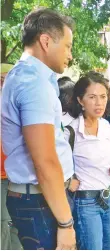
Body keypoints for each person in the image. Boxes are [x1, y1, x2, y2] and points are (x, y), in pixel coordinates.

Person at [1, 8, 76, 250]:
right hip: (39, 201)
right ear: (45, 41)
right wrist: (66, 224)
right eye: (67, 46)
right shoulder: (32, 83)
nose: (70, 55)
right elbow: (44, 161)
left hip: (40, 198)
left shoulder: (31, 78)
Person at [66, 72, 110, 250]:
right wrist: (68, 181)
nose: (99, 102)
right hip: (85, 203)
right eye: (92, 97)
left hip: (108, 198)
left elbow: (108, 162)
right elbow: (54, 165)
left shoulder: (106, 126)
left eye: (103, 96)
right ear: (81, 101)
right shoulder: (71, 131)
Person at [1, 63, 22, 250]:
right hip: (2, 177)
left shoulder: (18, 105)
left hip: (17, 175)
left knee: (15, 223)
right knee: (3, 223)